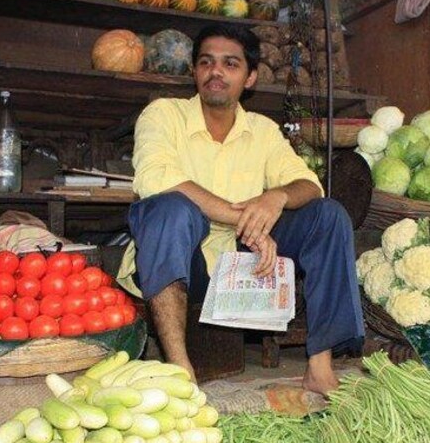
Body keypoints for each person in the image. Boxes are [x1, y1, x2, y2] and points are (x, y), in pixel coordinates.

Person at [116, 24, 363, 395]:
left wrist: (275, 197)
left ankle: (320, 364)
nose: (216, 72)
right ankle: (181, 371)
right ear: (194, 72)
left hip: (245, 265)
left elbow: (309, 184)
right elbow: (154, 177)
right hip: (182, 260)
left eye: (230, 64)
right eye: (206, 62)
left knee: (327, 216)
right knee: (169, 210)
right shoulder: (163, 114)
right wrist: (245, 221)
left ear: (249, 78)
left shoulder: (262, 130)